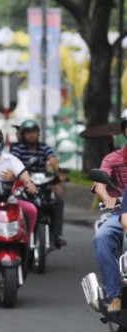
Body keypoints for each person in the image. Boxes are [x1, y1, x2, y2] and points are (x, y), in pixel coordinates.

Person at [10, 119, 67, 248]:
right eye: (28, 132)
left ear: (38, 133)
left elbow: (52, 159)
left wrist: (58, 173)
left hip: (43, 184)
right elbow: (13, 165)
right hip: (23, 185)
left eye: (34, 132)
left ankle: (57, 235)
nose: (31, 135)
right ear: (23, 134)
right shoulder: (17, 149)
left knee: (58, 200)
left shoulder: (44, 148)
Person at [92, 109, 127, 313]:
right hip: (121, 211)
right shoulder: (113, 159)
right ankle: (115, 294)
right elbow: (99, 183)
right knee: (102, 237)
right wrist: (107, 198)